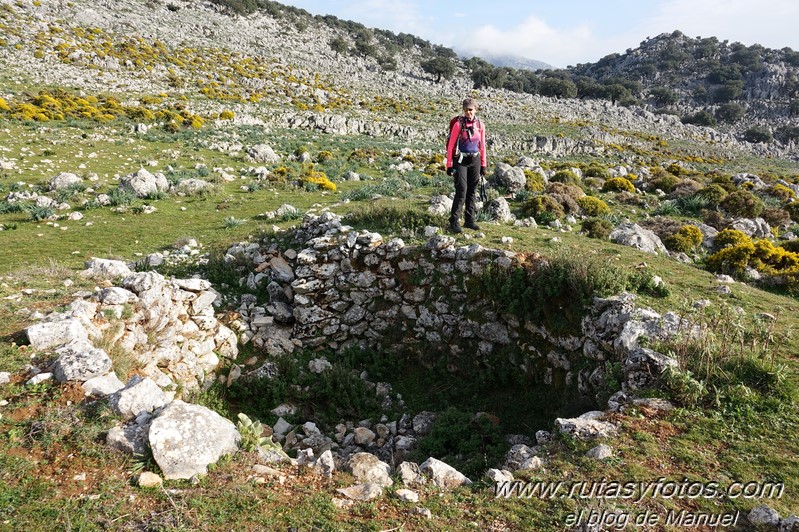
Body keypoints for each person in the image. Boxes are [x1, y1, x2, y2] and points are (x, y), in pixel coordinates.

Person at [445, 97, 487, 233]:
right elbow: (451, 145)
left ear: (476, 109)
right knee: (461, 190)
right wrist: (449, 164)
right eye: (466, 110)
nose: (468, 112)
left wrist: (483, 164)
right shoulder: (458, 124)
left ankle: (470, 220)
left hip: (475, 159)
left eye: (471, 110)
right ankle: (454, 221)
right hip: (460, 160)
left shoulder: (480, 125)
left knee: (472, 191)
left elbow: (482, 146)